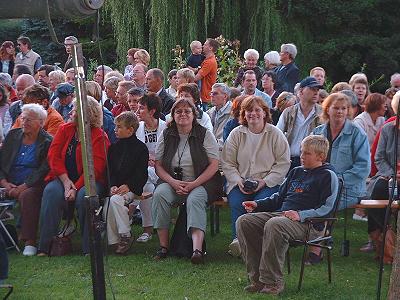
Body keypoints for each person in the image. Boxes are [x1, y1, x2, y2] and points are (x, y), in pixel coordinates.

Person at [237, 135, 339, 295]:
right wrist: (258, 204)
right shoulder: (296, 172)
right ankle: (257, 280)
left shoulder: (328, 175)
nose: (302, 157)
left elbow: (327, 208)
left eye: (307, 154)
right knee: (244, 221)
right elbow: (278, 197)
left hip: (310, 224)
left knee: (275, 224)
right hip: (282, 216)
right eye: (301, 152)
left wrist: (301, 214)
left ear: (321, 156)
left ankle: (272, 283)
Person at [38, 96, 110, 255]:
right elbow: (53, 156)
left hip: (90, 180)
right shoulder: (65, 129)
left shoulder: (99, 136)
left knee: (85, 196)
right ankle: (46, 245)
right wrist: (66, 183)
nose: (71, 112)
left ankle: (89, 247)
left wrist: (75, 188)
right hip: (64, 178)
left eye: (75, 109)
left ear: (86, 113)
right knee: (51, 193)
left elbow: (95, 169)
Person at [152, 98, 220, 264]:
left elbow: (214, 165)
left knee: (195, 199)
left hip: (202, 182)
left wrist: (193, 184)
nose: (183, 114)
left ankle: (196, 250)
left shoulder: (204, 134)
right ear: (173, 115)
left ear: (193, 115)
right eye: (178, 111)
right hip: (173, 182)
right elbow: (158, 165)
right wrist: (173, 182)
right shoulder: (167, 134)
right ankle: (163, 246)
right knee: (160, 194)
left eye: (187, 111)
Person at [221, 95, 290, 254]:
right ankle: (238, 242)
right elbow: (227, 162)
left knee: (260, 204)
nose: (253, 114)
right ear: (243, 114)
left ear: (265, 113)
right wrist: (238, 181)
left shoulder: (275, 134)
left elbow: (283, 163)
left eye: (257, 110)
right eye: (249, 111)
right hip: (240, 182)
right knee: (238, 203)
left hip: (268, 182)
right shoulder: (236, 134)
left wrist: (264, 182)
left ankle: (258, 244)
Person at [0, 104, 52, 256]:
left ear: (41, 122)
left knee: (27, 196)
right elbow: (2, 162)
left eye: (29, 119)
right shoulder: (13, 135)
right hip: (7, 182)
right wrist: (3, 182)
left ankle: (29, 241)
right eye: (23, 118)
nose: (24, 122)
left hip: (33, 185)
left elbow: (44, 169)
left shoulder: (47, 141)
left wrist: (23, 186)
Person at [313, 93, 370, 209]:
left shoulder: (358, 134)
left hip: (348, 191)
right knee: (301, 201)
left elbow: (363, 167)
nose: (340, 111)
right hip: (319, 187)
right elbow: (308, 159)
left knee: (320, 205)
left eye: (343, 108)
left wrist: (336, 181)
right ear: (327, 109)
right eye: (336, 108)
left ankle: (318, 227)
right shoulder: (317, 133)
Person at [103, 112, 148, 254]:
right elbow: (109, 171)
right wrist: (113, 185)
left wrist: (128, 185)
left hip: (132, 187)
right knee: (107, 205)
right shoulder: (113, 148)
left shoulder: (141, 148)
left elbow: (141, 173)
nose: (115, 130)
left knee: (115, 200)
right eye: (115, 127)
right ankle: (114, 240)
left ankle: (125, 235)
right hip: (117, 188)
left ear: (130, 130)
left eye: (119, 127)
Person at [135, 93, 167, 242]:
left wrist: (157, 160)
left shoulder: (165, 128)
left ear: (152, 111)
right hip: (144, 170)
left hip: (164, 170)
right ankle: (147, 229)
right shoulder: (137, 128)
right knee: (147, 186)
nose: (137, 111)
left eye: (141, 108)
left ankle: (131, 210)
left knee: (143, 180)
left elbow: (172, 152)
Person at [277, 76, 323, 170]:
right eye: (312, 89)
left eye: (317, 89)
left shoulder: (323, 114)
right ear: (301, 92)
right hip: (288, 161)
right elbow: (277, 136)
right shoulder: (288, 112)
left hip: (312, 163)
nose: (316, 92)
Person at [194, 38, 219, 110]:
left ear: (210, 48)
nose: (202, 46)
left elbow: (197, 78)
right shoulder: (207, 60)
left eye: (205, 44)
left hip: (205, 97)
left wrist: (186, 76)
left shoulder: (209, 62)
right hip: (205, 96)